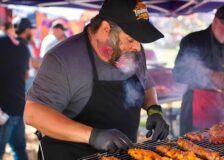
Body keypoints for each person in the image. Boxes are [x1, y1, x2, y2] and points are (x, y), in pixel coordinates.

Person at [24, 0, 169, 159]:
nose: (137, 47)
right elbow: (33, 113)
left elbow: (144, 81)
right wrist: (93, 136)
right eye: (130, 39)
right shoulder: (63, 59)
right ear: (106, 29)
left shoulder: (133, 52)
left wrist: (153, 108)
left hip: (122, 155)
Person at [173, 5, 224, 135]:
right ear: (215, 21)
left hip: (218, 110)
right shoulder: (193, 40)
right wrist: (210, 74)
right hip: (196, 109)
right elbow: (178, 73)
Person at [0, 18, 33, 160]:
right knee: (19, 148)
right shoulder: (23, 48)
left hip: (5, 110)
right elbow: (26, 75)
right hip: (17, 106)